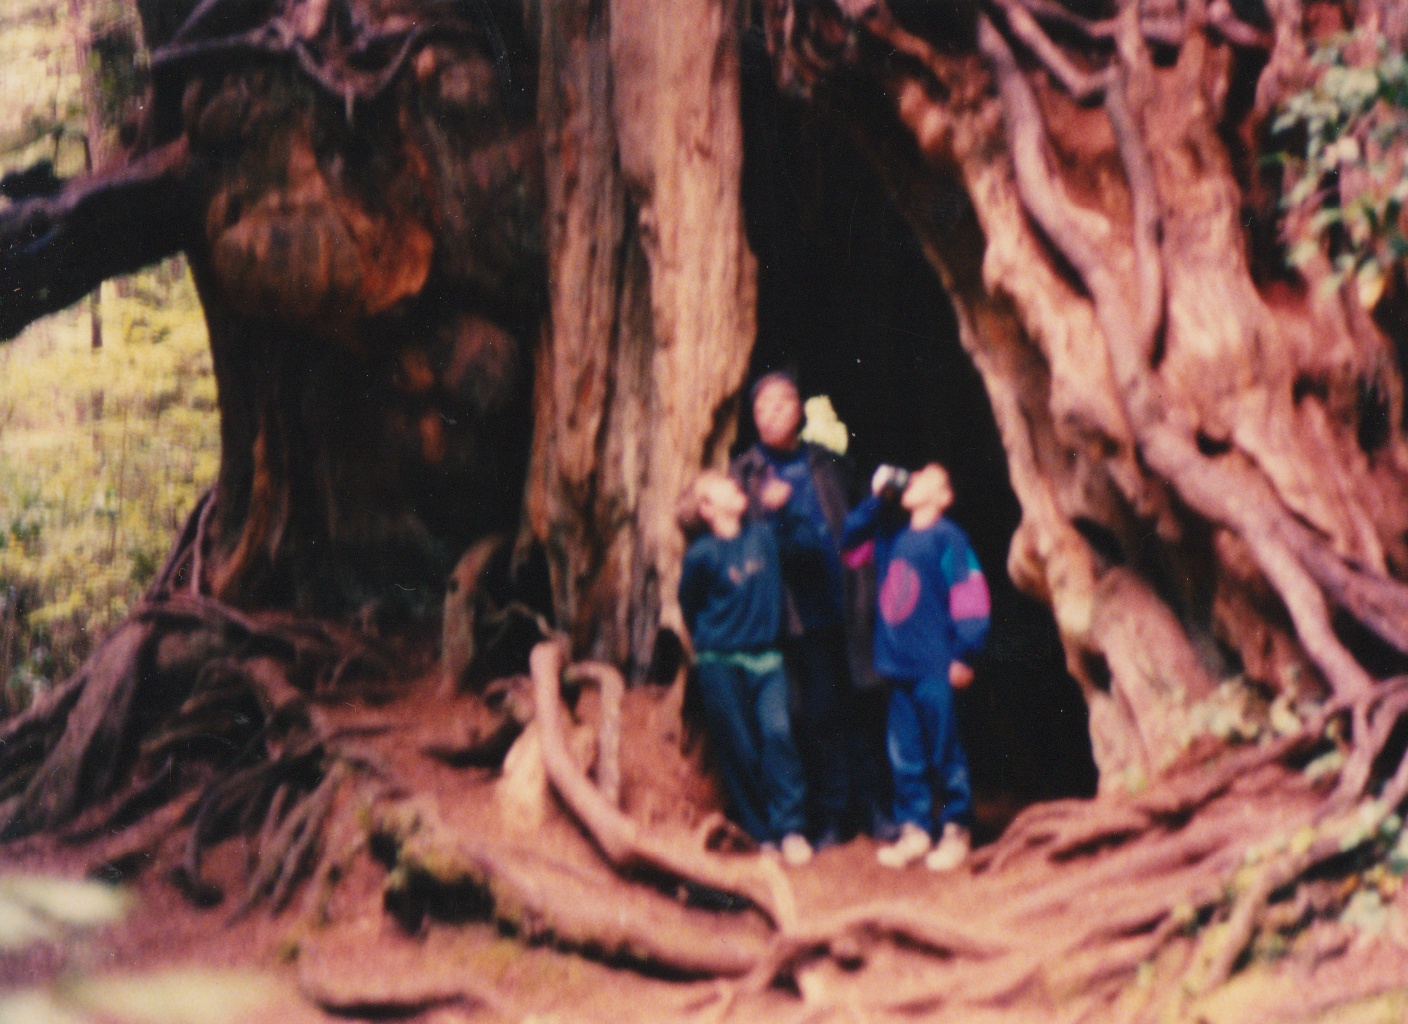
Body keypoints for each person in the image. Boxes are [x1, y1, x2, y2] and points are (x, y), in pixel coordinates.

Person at [732, 372, 880, 845]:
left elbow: (859, 518)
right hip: (795, 616)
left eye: (779, 404)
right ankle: (832, 815)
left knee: (863, 706)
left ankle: (875, 810)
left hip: (846, 605)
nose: (769, 415)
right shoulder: (745, 474)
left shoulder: (826, 462)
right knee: (817, 716)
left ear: (798, 408)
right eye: (760, 409)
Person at [841, 463, 990, 870]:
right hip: (897, 666)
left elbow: (969, 592)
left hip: (936, 666)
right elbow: (849, 545)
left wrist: (965, 653)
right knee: (905, 755)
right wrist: (876, 499)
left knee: (945, 749)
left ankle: (956, 829)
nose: (914, 478)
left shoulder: (948, 537)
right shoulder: (891, 535)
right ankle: (916, 830)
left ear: (944, 497)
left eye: (927, 477)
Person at [677, 469, 817, 866]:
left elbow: (808, 545)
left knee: (777, 734)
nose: (733, 483)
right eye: (720, 483)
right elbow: (689, 603)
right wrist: (712, 642)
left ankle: (791, 828)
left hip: (767, 659)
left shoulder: (764, 536)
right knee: (738, 746)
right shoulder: (701, 555)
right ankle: (761, 834)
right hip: (719, 663)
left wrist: (786, 509)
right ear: (706, 508)